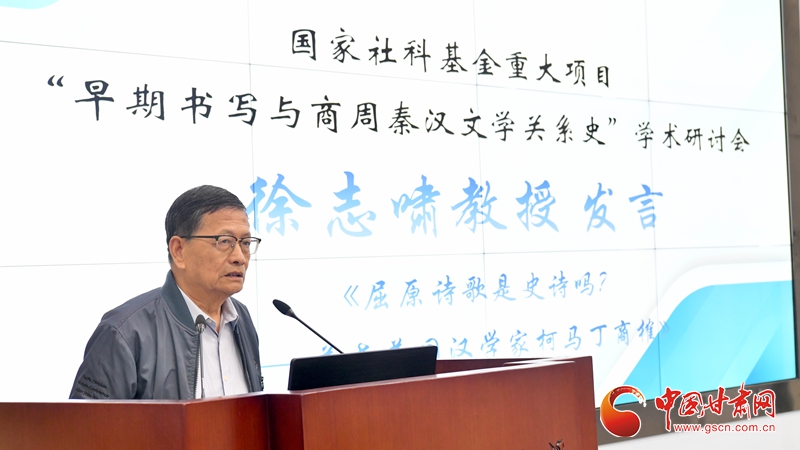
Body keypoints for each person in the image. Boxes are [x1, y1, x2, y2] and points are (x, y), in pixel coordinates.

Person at [70, 185, 263, 399]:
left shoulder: (241, 318)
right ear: (179, 250)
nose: (240, 257)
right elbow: (86, 421)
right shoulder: (123, 332)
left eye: (245, 243)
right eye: (224, 242)